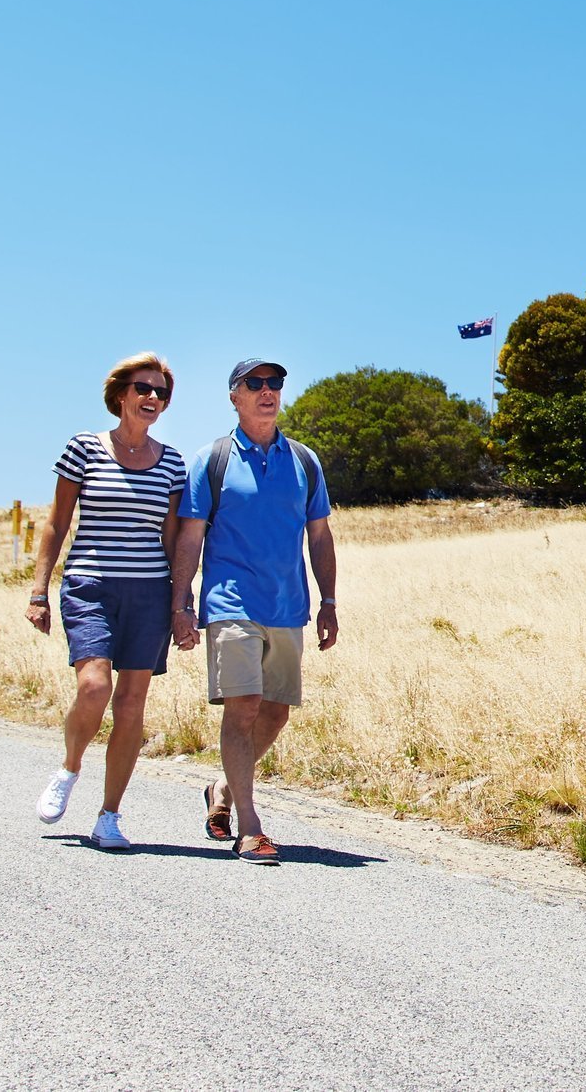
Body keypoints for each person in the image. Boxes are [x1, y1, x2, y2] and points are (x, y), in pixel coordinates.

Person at [171, 358, 338, 864]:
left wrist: (329, 600)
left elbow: (320, 535)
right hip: (230, 603)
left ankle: (221, 790)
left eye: (275, 383)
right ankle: (251, 826)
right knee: (242, 708)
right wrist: (182, 602)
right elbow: (190, 536)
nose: (267, 391)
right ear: (234, 396)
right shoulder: (212, 460)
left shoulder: (304, 461)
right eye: (255, 384)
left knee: (276, 710)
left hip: (289, 606)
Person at [27, 353, 186, 851]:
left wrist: (181, 603)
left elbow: (174, 537)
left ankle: (109, 816)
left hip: (149, 593)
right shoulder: (84, 449)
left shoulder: (174, 464)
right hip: (90, 586)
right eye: (143, 389)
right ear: (120, 395)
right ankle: (70, 766)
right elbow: (57, 522)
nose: (152, 399)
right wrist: (39, 590)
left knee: (132, 704)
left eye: (160, 393)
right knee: (94, 687)